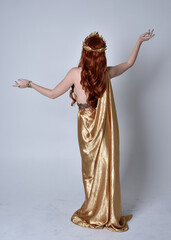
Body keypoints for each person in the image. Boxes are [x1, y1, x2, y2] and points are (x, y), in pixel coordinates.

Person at [12, 30, 155, 232]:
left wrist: (30, 84)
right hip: (103, 125)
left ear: (85, 53)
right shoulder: (106, 73)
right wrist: (139, 41)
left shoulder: (74, 73)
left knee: (90, 170)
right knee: (104, 167)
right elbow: (128, 64)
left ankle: (96, 210)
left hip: (85, 124)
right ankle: (104, 211)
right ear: (101, 55)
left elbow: (53, 94)